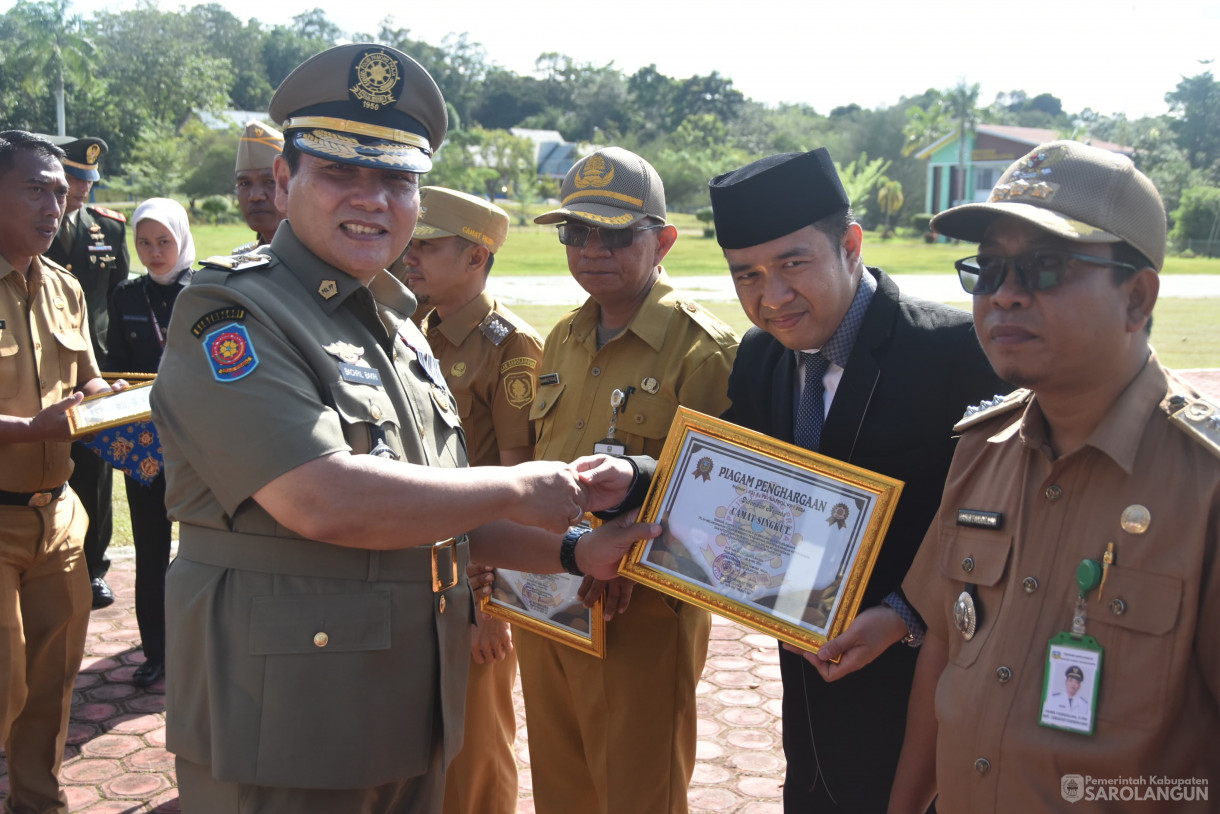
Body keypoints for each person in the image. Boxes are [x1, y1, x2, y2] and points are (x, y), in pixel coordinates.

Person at [149, 44, 654, 814]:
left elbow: (439, 516)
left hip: (412, 709)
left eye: (395, 179)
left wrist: (576, 551)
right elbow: (326, 500)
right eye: (340, 172)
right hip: (291, 721)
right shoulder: (234, 313)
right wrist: (520, 483)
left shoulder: (396, 326)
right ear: (285, 182)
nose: (373, 199)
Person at [890, 140, 1220, 813]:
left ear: (1137, 297)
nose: (1006, 296)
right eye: (989, 270)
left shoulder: (1205, 485)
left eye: (1044, 267)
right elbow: (945, 654)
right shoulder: (982, 449)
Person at [707, 148, 1006, 813]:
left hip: (918, 708)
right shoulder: (761, 357)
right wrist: (635, 477)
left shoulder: (956, 354)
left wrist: (904, 616)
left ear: (850, 245)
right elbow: (724, 476)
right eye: (746, 275)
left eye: (792, 264)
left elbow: (1001, 526)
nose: (772, 297)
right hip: (808, 713)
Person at [519, 146, 739, 814]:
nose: (592, 249)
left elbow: (725, 505)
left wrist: (628, 559)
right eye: (576, 232)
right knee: (562, 785)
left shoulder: (705, 351)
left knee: (636, 794)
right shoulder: (561, 339)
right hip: (547, 597)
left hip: (638, 613)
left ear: (664, 240)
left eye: (616, 234)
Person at [401, 186, 542, 814]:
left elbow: (518, 483)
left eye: (427, 247)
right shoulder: (411, 331)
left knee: (478, 742)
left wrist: (496, 605)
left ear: (476, 258)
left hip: (473, 577)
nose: (411, 258)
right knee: (421, 739)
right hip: (410, 563)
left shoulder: (510, 347)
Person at [0, 129, 126, 814]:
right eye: (35, 190)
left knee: (50, 690)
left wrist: (113, 402)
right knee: (5, 685)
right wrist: (29, 429)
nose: (56, 206)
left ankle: (37, 805)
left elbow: (90, 380)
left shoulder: (65, 287)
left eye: (60, 192)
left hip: (59, 521)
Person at [107, 197, 196, 688]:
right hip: (143, 441)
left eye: (164, 241)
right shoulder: (125, 294)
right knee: (150, 549)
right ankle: (156, 652)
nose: (155, 252)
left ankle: (198, 642)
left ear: (181, 238)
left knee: (203, 545)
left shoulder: (204, 287)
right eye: (144, 242)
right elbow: (114, 359)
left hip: (196, 440)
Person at [41, 134, 129, 610]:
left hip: (94, 369)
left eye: (86, 180)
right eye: (73, 177)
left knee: (95, 476)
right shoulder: (29, 223)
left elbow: (115, 299)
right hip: (36, 369)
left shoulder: (109, 229)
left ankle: (92, 568)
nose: (80, 189)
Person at [232, 120, 287, 252]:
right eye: (244, 184)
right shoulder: (241, 259)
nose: (255, 196)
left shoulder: (325, 260)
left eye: (270, 182)